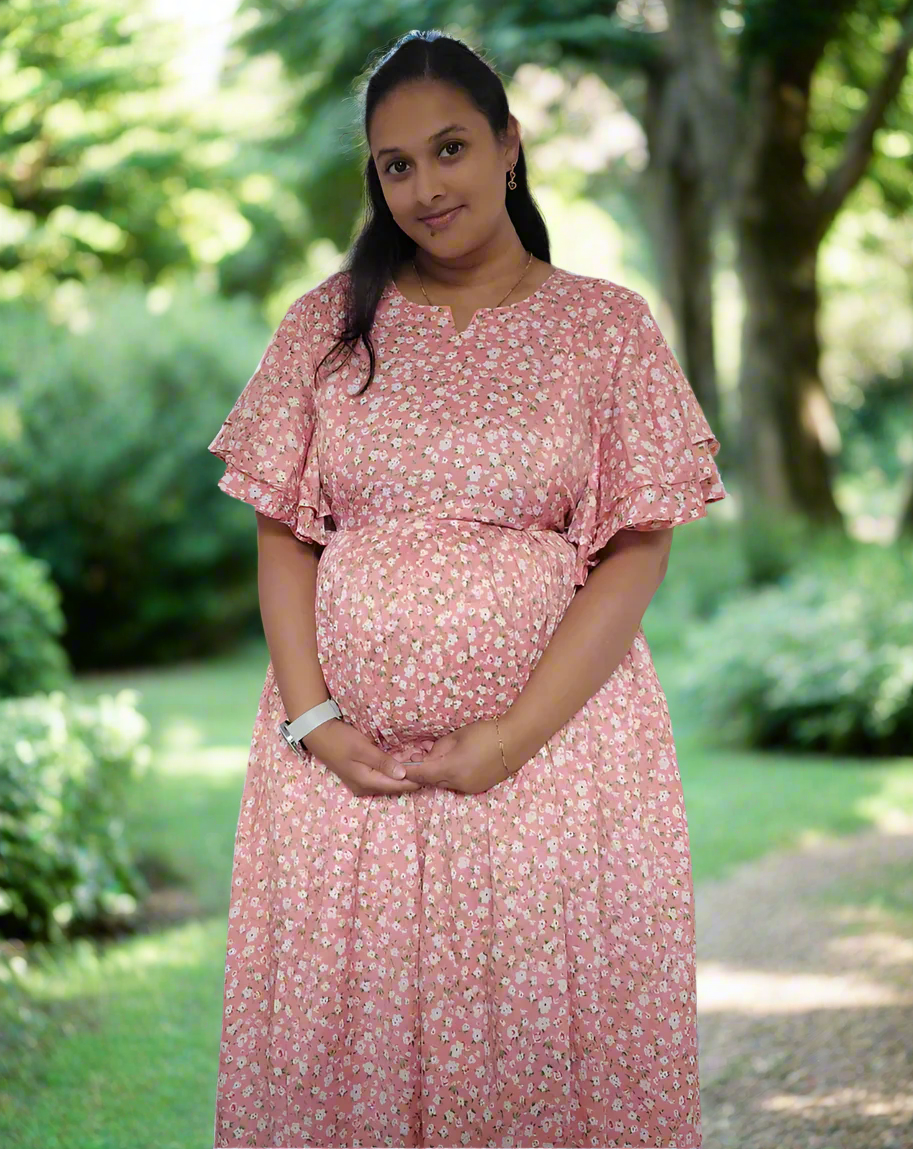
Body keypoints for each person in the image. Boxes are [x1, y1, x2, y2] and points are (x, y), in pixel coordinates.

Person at [207, 28, 727, 1149]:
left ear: (509, 146)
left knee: (542, 1054)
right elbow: (282, 533)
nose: (425, 186)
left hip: (556, 765)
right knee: (346, 1053)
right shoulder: (323, 328)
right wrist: (315, 720)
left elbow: (636, 549)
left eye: (449, 149)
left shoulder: (605, 328)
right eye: (396, 165)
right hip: (345, 780)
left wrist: (510, 738)